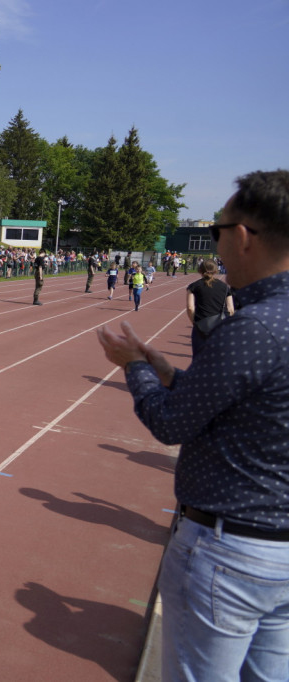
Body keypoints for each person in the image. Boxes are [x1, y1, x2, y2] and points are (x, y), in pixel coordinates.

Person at [96, 169, 289, 682]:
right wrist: (167, 371)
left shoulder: (254, 328)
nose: (218, 247)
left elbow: (169, 424)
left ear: (244, 235)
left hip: (232, 550)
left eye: (219, 232)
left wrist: (133, 367)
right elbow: (255, 406)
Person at [186, 258, 235, 357]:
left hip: (201, 325)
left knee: (199, 357)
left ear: (200, 270)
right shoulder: (225, 287)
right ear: (216, 271)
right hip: (220, 326)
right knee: (218, 357)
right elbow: (231, 309)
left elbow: (190, 307)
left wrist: (195, 323)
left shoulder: (193, 286)